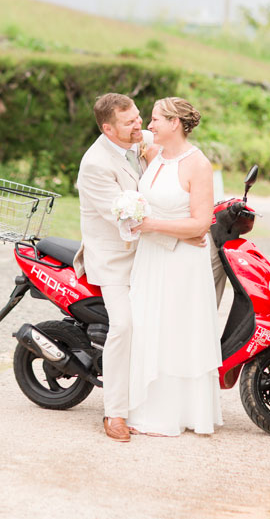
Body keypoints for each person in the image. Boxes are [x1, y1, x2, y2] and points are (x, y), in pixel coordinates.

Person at [72, 93, 180, 443]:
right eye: (130, 121)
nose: (140, 125)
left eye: (139, 117)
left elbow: (177, 153)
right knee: (125, 325)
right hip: (116, 257)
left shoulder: (140, 140)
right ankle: (114, 411)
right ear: (108, 128)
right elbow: (125, 217)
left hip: (149, 251)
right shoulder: (94, 165)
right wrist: (173, 225)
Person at [126, 97, 223, 437]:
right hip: (150, 258)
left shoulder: (198, 165)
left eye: (155, 119)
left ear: (175, 123)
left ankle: (175, 413)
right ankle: (144, 407)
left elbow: (200, 224)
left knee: (175, 330)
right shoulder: (153, 152)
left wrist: (151, 225)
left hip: (181, 262)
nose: (149, 126)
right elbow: (119, 137)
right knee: (146, 325)